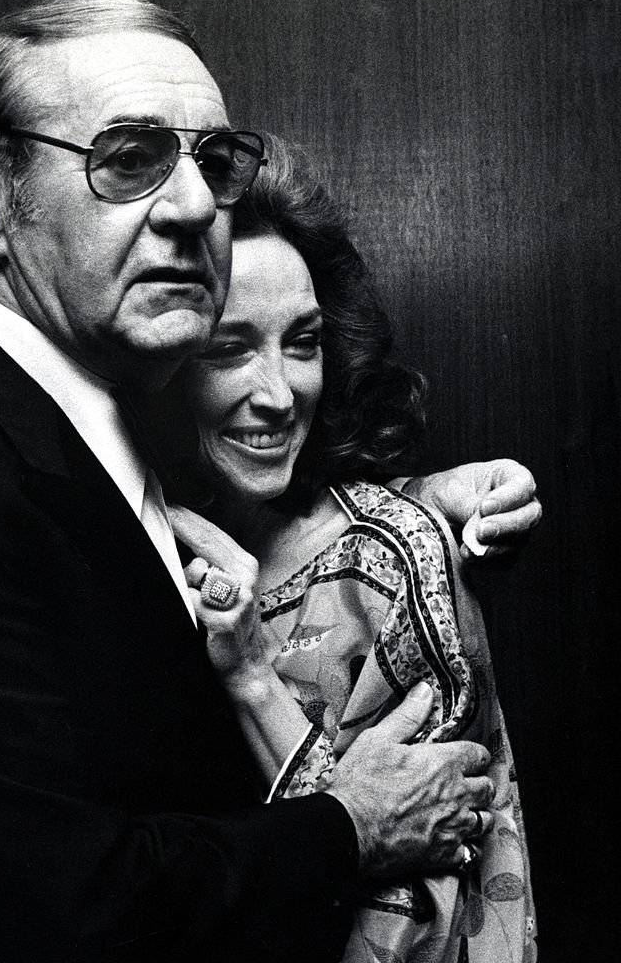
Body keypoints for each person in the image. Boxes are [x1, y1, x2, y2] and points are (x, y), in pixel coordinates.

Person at [0, 0, 530, 963]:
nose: (193, 206)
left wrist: (419, 503)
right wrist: (349, 825)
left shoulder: (103, 429)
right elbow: (41, 908)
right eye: (128, 158)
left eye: (214, 162)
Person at [156, 135, 536, 961]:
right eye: (229, 349)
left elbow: (417, 905)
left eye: (302, 342)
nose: (278, 392)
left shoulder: (393, 563)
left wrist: (253, 672)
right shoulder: (122, 543)